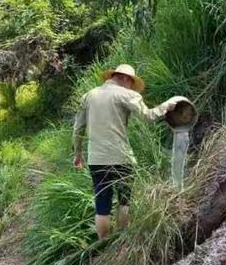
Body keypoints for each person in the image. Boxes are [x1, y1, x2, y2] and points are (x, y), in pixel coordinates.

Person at [72, 64, 177, 239]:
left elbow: (78, 129)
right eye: (131, 82)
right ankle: (123, 237)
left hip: (96, 159)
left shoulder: (88, 96)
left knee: (102, 203)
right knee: (124, 199)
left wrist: (77, 154)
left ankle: (104, 242)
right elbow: (148, 117)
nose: (131, 86)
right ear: (125, 78)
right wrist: (166, 105)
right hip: (121, 157)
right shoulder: (127, 94)